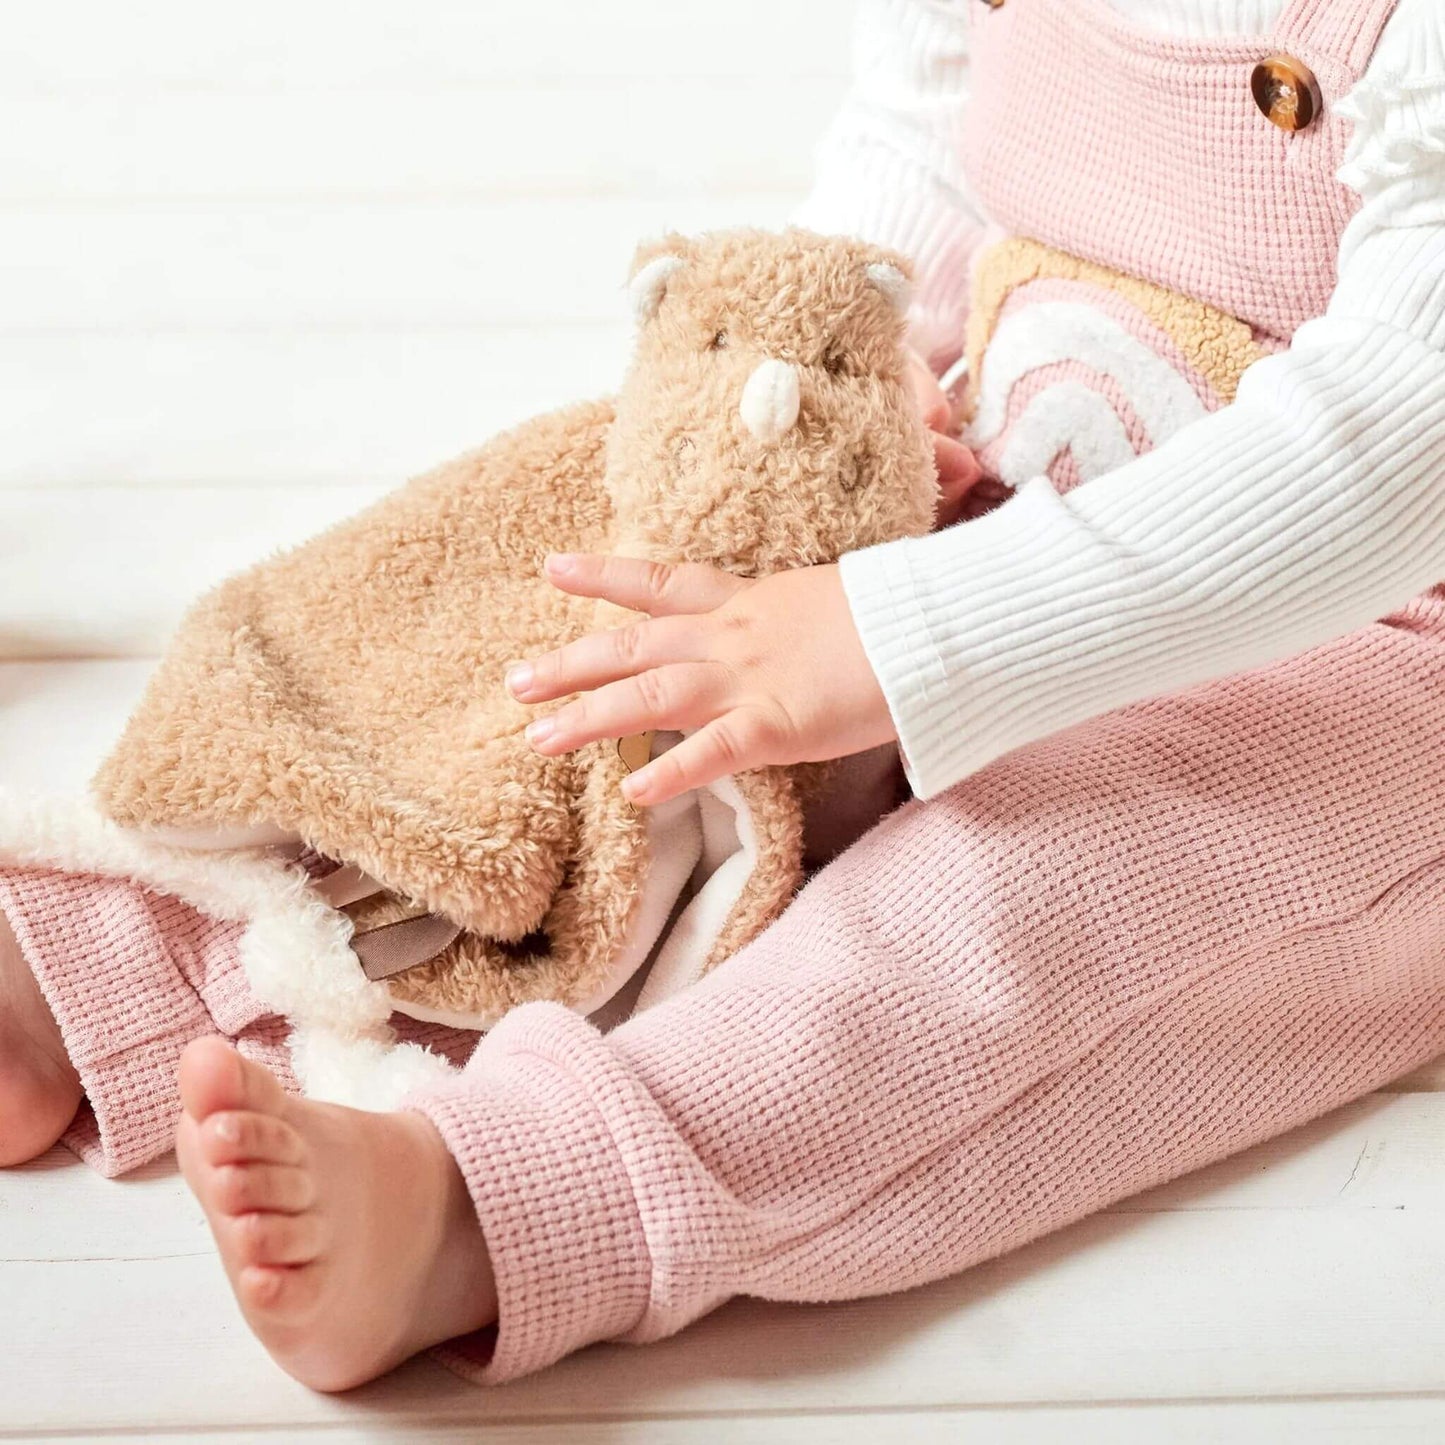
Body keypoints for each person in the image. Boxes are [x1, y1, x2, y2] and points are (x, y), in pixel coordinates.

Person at [3, 0, 1444, 1396]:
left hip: (1378, 629)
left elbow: (1399, 432)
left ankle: (484, 1202)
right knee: (587, 633)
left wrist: (896, 638)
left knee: (1021, 880)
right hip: (1004, 443)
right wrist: (860, 378)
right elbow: (929, 137)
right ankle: (115, 952)